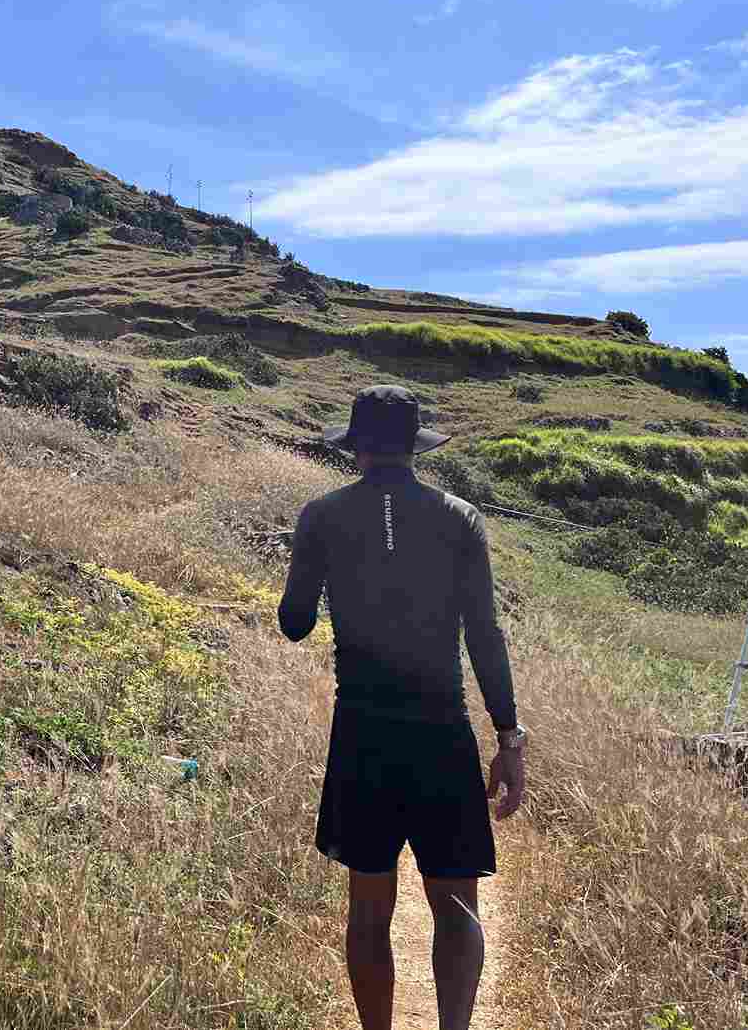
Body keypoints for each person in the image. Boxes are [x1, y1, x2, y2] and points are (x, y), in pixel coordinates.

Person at [279, 385, 526, 1030]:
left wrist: (315, 564)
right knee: (456, 904)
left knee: (368, 911)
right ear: (416, 446)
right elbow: (484, 635)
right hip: (442, 731)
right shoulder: (458, 517)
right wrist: (509, 736)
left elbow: (295, 623)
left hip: (363, 731)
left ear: (357, 445)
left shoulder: (322, 516)